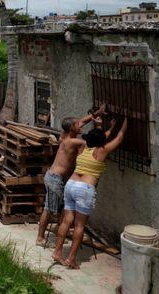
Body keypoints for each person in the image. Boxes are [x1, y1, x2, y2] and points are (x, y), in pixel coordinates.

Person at [53, 117, 128, 269]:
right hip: (85, 189)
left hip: (71, 185)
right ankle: (71, 259)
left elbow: (99, 137)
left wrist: (104, 126)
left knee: (67, 221)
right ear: (102, 141)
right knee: (79, 225)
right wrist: (126, 120)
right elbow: (119, 138)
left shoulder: (83, 148)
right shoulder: (102, 151)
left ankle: (57, 252)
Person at [36, 105, 107, 247]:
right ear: (72, 129)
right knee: (49, 209)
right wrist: (99, 127)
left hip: (56, 178)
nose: (80, 124)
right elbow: (94, 141)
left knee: (63, 207)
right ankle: (40, 237)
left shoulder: (65, 135)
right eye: (77, 124)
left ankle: (60, 228)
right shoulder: (74, 142)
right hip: (55, 179)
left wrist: (97, 113)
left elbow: (83, 121)